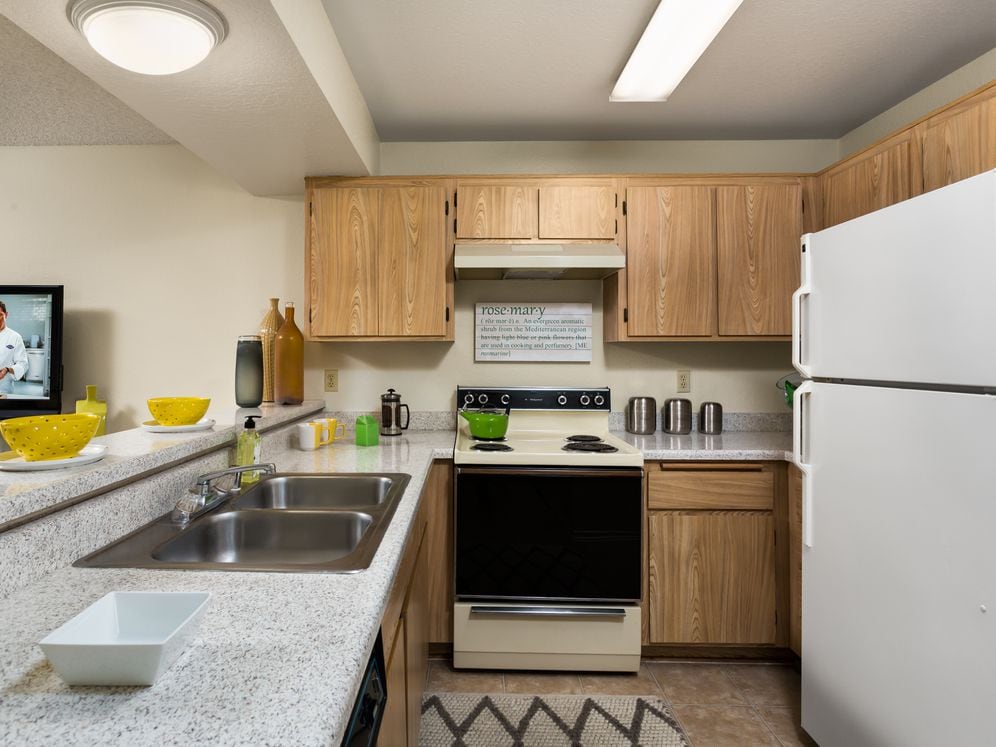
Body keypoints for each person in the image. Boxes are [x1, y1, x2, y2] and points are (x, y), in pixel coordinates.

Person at [0, 300, 29, 395]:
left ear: (6, 315)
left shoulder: (15, 337)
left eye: (0, 315)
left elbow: (23, 363)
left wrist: (8, 369)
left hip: (4, 389)